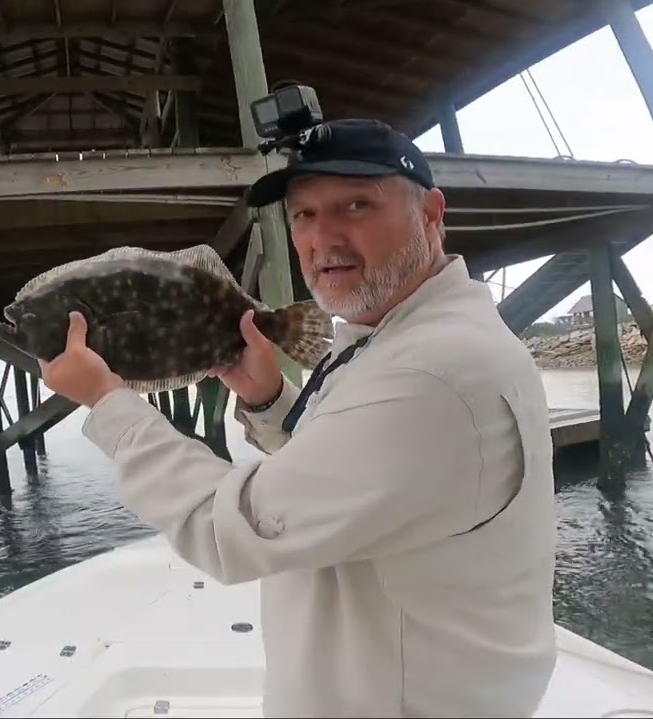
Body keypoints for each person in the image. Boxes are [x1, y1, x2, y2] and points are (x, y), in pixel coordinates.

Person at [38, 118, 558, 717]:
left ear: (431, 213)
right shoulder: (401, 339)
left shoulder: (428, 373)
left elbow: (223, 531)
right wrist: (268, 400)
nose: (323, 238)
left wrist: (109, 404)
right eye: (304, 215)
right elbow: (355, 481)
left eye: (357, 205)